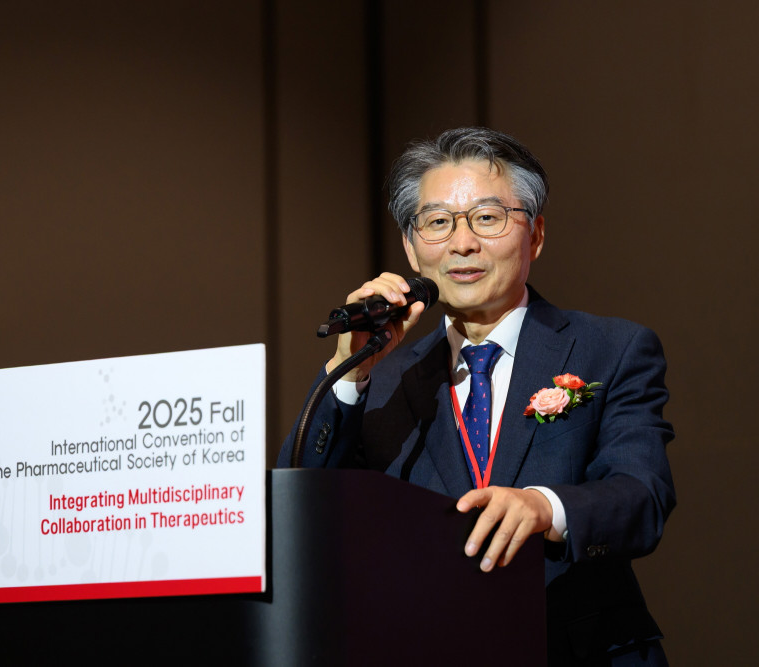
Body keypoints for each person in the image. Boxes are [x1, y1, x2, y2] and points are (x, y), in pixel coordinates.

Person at [278, 127, 675, 666]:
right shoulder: (384, 382)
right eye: (438, 222)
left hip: (579, 648)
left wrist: (545, 506)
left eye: (487, 218)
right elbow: (299, 512)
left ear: (535, 235)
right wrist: (348, 372)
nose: (462, 243)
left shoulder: (611, 348)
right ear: (411, 248)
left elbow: (642, 496)